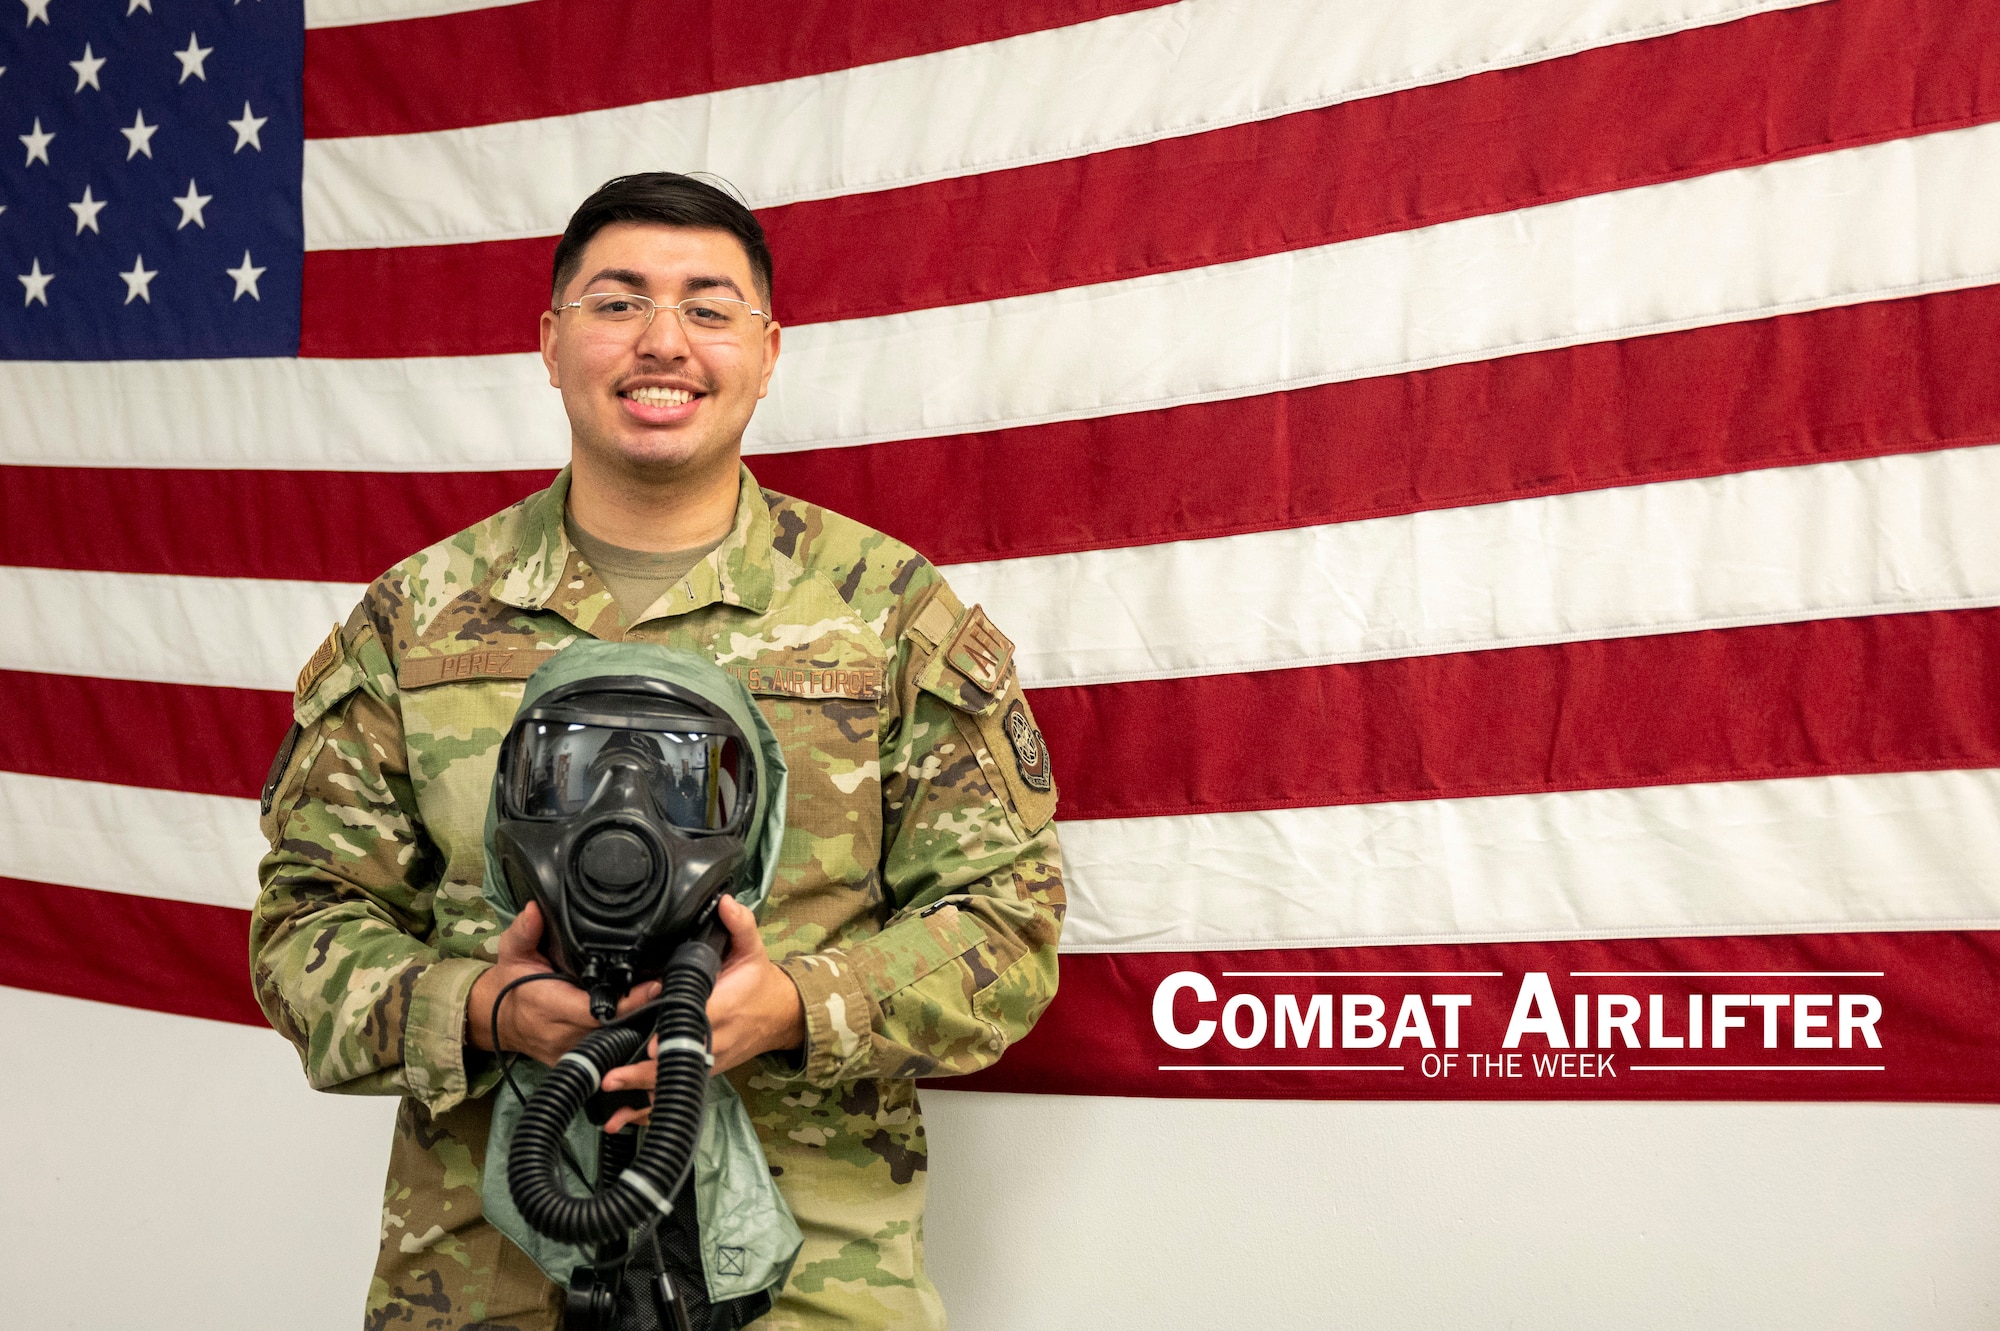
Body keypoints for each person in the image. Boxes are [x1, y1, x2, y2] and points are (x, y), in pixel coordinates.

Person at [250, 172, 1066, 1330]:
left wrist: (792, 1003)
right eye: (617, 302)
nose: (663, 342)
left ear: (769, 348)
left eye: (709, 306)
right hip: (485, 1282)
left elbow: (1009, 921)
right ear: (549, 340)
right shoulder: (418, 618)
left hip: (809, 1282)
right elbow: (300, 932)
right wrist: (479, 1005)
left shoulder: (882, 610)